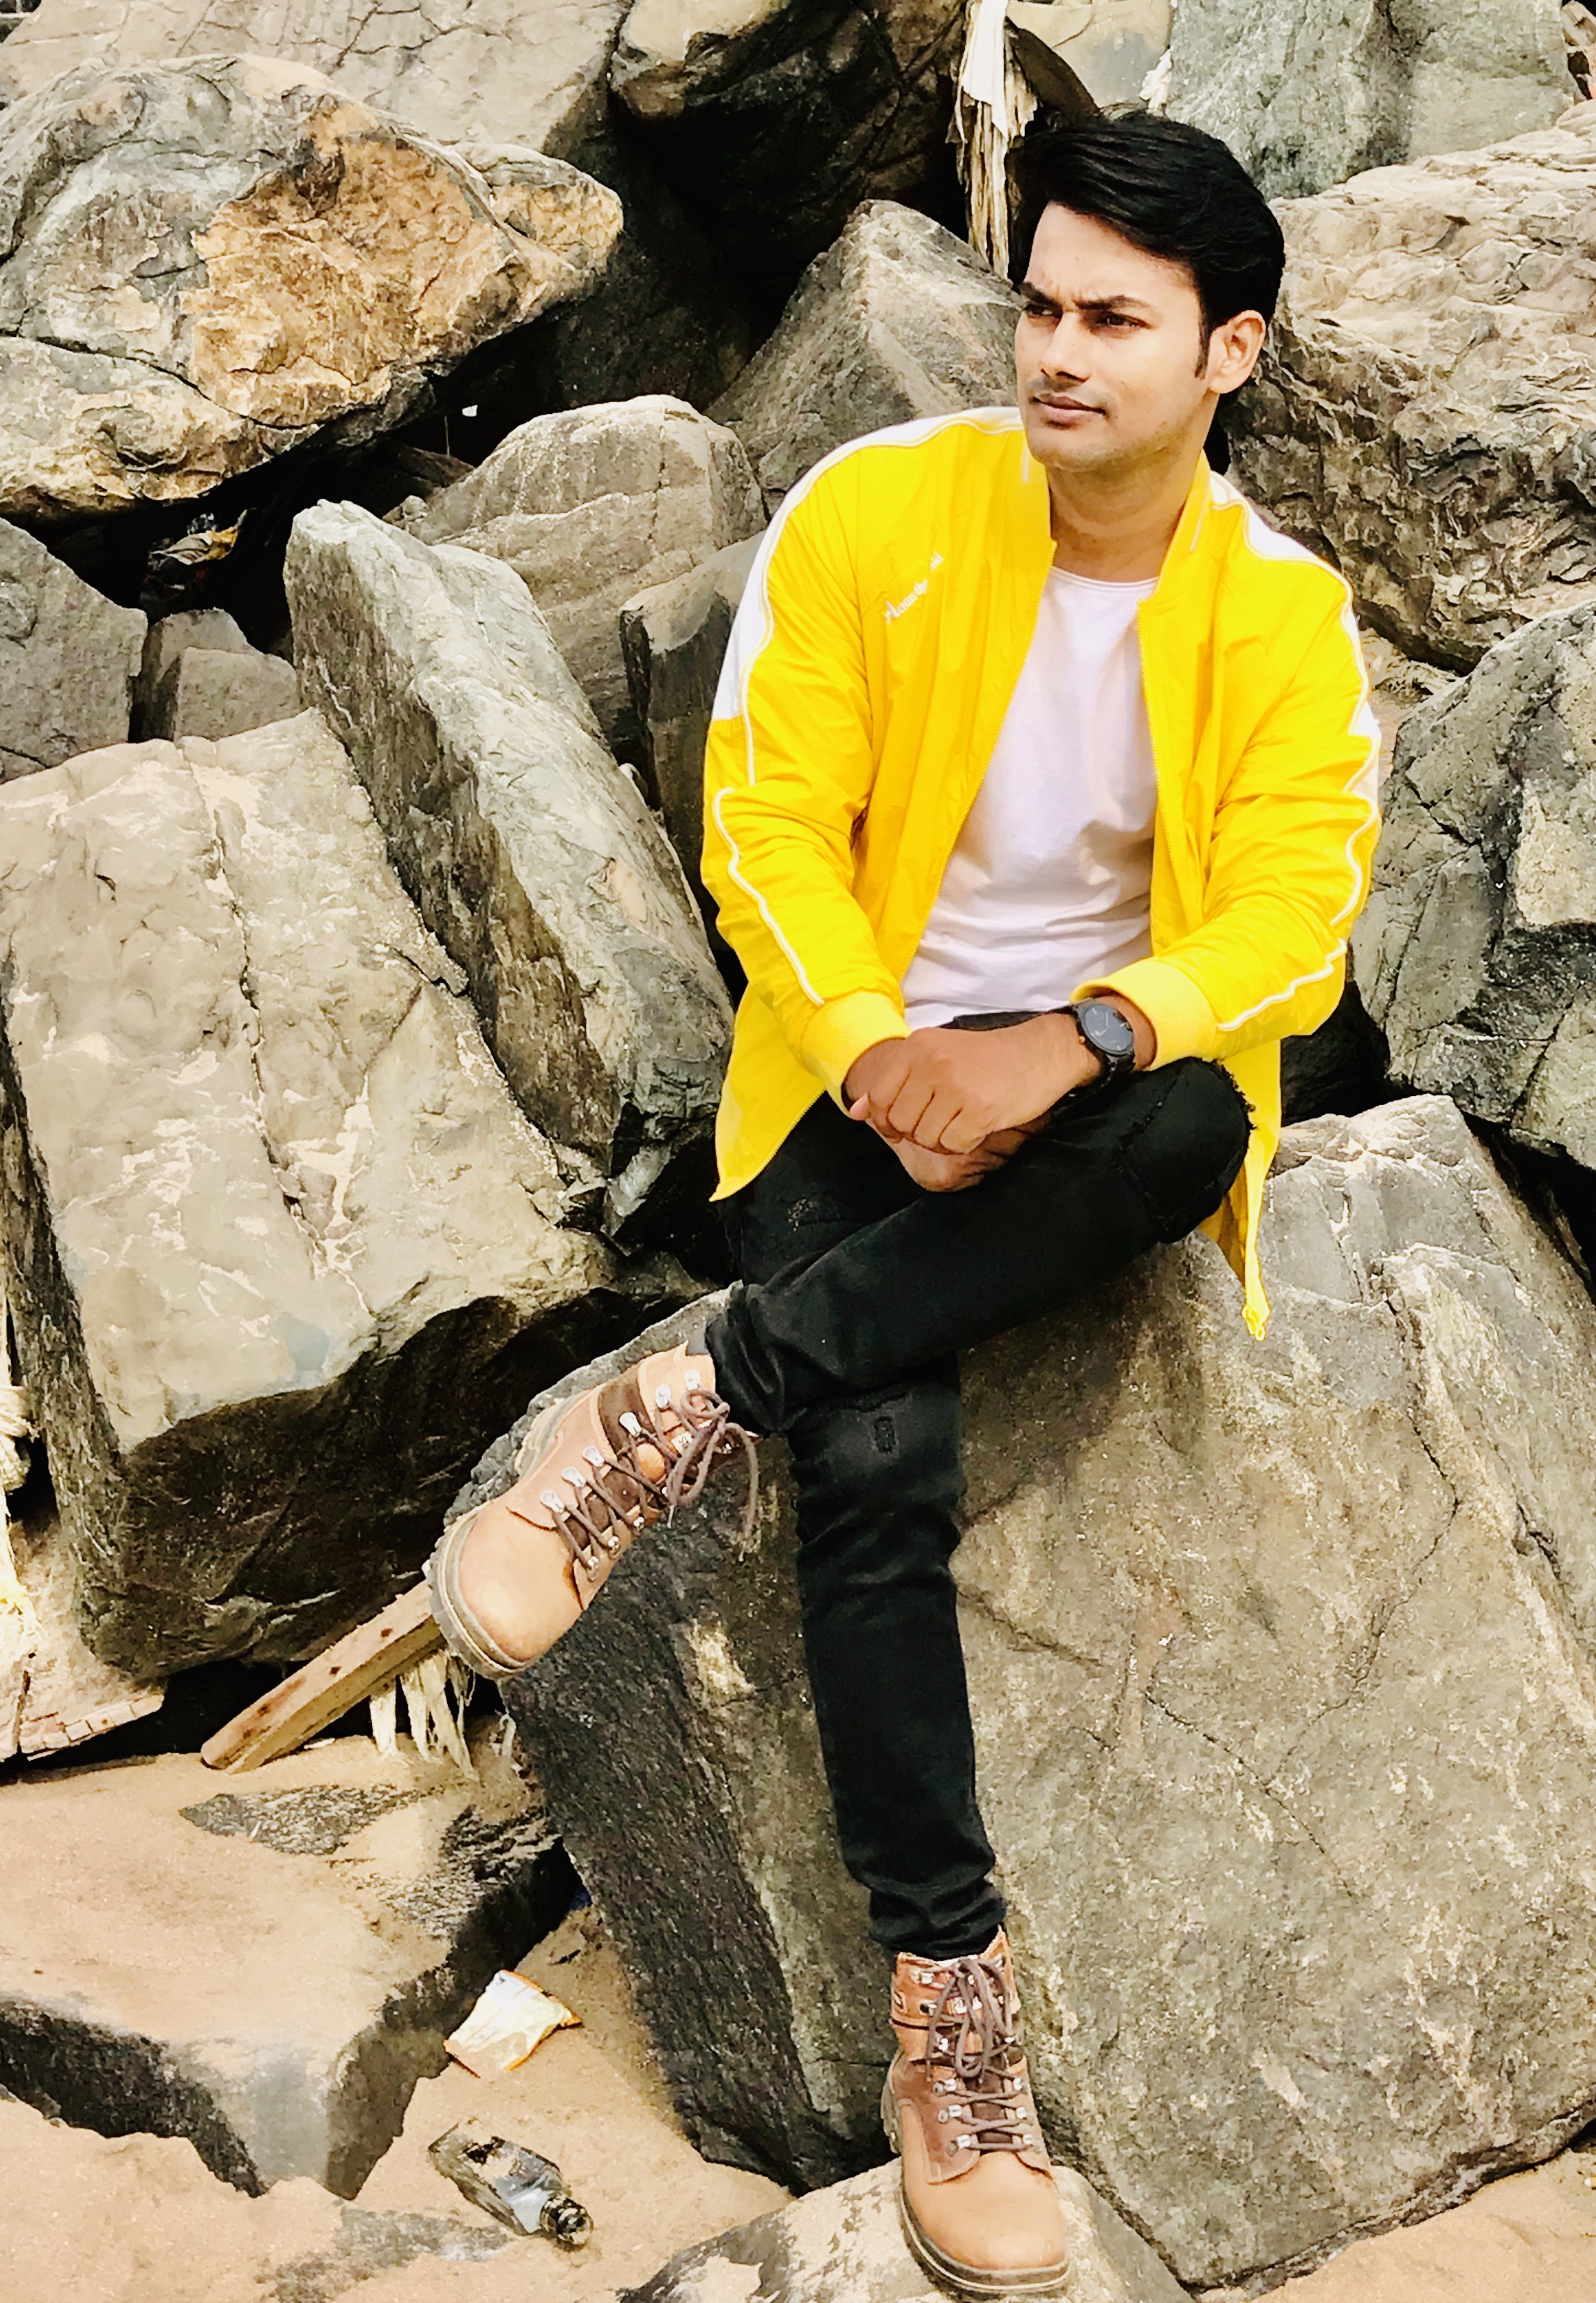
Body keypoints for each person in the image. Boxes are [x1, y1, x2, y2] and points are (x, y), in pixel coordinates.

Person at [426, 112, 1380, 2298]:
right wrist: (878, 1051)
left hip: (1085, 1097)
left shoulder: (1281, 616)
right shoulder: (877, 510)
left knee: (1194, 1126)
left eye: (1113, 319)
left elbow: (1292, 915)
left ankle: (694, 1397)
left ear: (1227, 352)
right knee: (876, 1454)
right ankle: (948, 2012)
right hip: (843, 1088)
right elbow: (760, 814)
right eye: (1038, 304)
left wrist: (1066, 1041)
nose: (1055, 351)